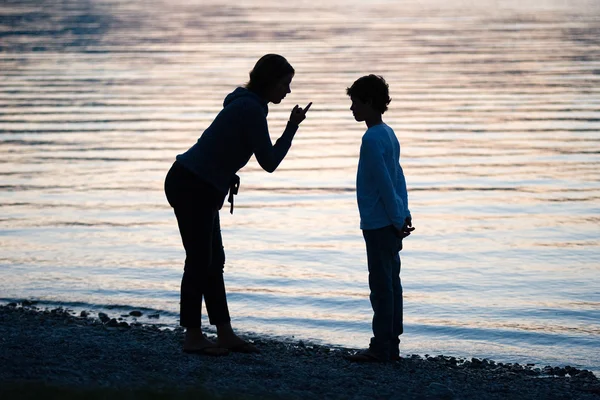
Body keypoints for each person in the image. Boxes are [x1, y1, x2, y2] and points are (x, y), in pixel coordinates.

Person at [164, 54, 312, 356]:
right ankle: (193, 336)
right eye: (285, 84)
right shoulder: (250, 110)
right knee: (199, 261)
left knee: (213, 260)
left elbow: (224, 146)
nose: (288, 91)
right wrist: (292, 127)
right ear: (269, 82)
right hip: (192, 185)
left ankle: (225, 333)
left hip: (200, 185)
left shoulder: (246, 104)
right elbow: (269, 162)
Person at [344, 74, 414, 362]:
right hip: (391, 220)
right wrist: (404, 212)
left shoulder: (372, 138)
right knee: (391, 283)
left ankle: (381, 346)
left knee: (381, 286)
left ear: (369, 102)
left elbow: (387, 182)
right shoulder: (388, 133)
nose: (352, 109)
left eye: (355, 103)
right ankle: (391, 342)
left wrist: (397, 218)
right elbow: (399, 178)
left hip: (378, 222)